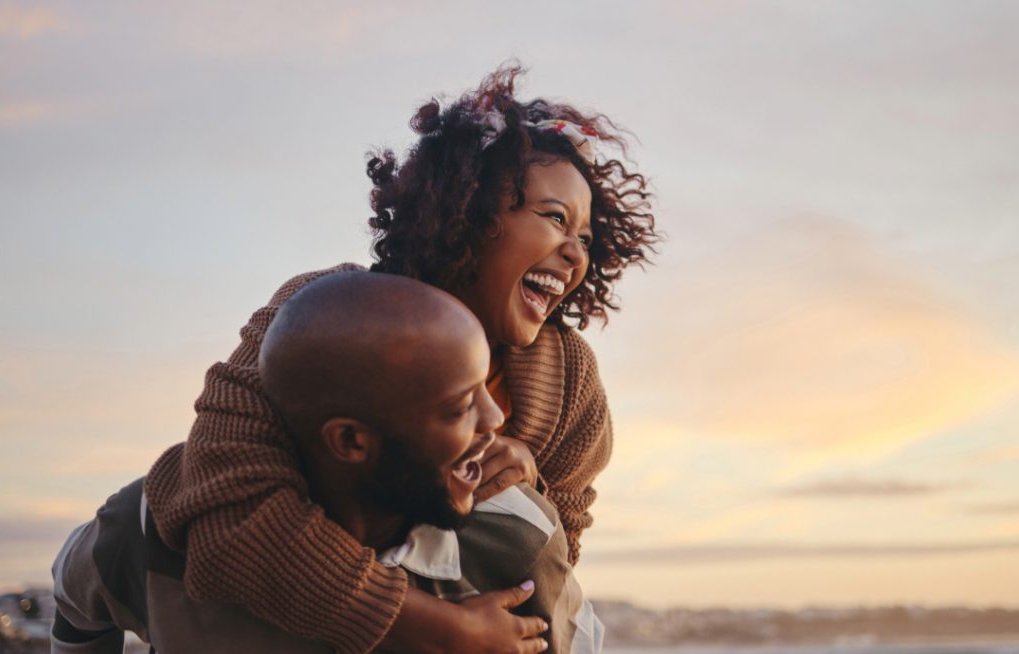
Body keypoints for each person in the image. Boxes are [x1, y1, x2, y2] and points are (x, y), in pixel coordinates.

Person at [143, 63, 658, 652]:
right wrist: (428, 626)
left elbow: (551, 563)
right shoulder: (321, 313)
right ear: (470, 212)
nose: (575, 253)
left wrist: (529, 482)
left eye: (587, 238)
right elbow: (228, 512)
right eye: (553, 218)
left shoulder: (571, 384)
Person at [52, 273, 601, 653]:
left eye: (486, 386)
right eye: (460, 406)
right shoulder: (155, 525)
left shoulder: (519, 538)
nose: (494, 420)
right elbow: (74, 602)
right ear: (350, 441)